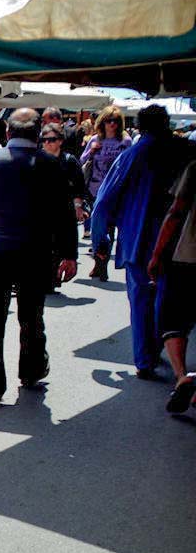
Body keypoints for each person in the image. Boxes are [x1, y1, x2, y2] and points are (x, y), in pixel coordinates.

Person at [0, 109, 79, 407]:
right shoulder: (51, 166)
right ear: (37, 134)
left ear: (8, 133)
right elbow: (65, 216)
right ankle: (31, 371)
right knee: (31, 316)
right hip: (35, 252)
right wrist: (68, 254)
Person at [90, 105, 196, 379]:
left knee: (140, 300)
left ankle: (145, 359)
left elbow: (103, 202)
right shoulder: (186, 151)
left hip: (139, 240)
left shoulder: (133, 155)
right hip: (182, 242)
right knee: (172, 301)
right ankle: (165, 353)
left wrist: (100, 240)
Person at [148, 160, 196, 413]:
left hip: (189, 255)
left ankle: (181, 376)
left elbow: (176, 210)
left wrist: (157, 253)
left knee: (173, 320)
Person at [81, 106, 133, 279]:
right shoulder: (95, 140)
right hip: (95, 188)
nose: (112, 125)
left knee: (108, 227)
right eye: (109, 121)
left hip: (115, 192)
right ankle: (98, 260)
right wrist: (92, 150)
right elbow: (82, 160)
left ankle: (101, 264)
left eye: (116, 121)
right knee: (98, 226)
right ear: (102, 122)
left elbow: (129, 165)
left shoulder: (125, 142)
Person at [39, 122, 89, 225]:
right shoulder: (36, 160)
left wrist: (78, 207)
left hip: (65, 214)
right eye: (44, 140)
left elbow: (78, 187)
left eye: (52, 140)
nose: (47, 142)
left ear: (60, 141)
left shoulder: (69, 161)